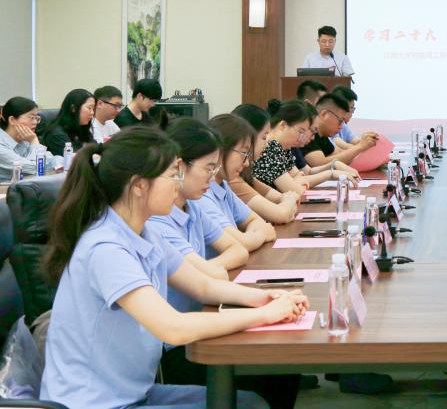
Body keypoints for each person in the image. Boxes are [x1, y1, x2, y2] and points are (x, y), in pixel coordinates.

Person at [40, 126, 307, 409]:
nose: (177, 183)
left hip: (133, 393)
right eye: (171, 175)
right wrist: (264, 315)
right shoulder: (106, 248)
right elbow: (173, 328)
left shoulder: (143, 232)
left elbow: (203, 286)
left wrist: (265, 298)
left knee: (250, 403)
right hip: (96, 403)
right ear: (139, 185)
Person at [146, 119, 249, 308]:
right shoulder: (156, 219)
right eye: (208, 168)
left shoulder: (192, 207)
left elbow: (239, 250)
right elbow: (210, 277)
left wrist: (207, 269)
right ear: (180, 166)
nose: (212, 177)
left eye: (214, 169)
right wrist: (208, 271)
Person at [201, 114, 277, 251]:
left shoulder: (223, 185)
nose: (247, 163)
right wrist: (260, 235)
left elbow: (255, 220)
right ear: (221, 149)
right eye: (244, 153)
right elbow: (240, 244)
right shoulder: (202, 194)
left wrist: (251, 238)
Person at [252, 100, 346, 194]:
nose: (300, 137)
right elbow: (297, 190)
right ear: (283, 125)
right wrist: (330, 173)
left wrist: (297, 181)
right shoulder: (270, 148)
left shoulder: (283, 147)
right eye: (300, 132)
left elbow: (300, 177)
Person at [229, 104, 300, 224]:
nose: (267, 143)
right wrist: (289, 201)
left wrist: (288, 201)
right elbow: (281, 214)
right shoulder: (232, 179)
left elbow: (285, 197)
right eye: (264, 137)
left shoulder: (245, 173)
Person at [303, 93, 375, 168]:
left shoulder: (323, 135)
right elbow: (320, 164)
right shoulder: (307, 132)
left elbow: (337, 157)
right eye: (340, 121)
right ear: (324, 114)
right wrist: (360, 147)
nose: (341, 127)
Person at [0, 96, 59, 181]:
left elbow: (53, 160)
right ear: (12, 120)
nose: (35, 122)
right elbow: (35, 169)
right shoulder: (2, 145)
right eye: (31, 118)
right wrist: (34, 141)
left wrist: (58, 165)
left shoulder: (25, 139)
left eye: (37, 118)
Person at [41, 88, 96, 155]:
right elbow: (74, 159)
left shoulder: (81, 128)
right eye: (89, 108)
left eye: (93, 109)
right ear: (73, 108)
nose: (92, 113)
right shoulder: (56, 134)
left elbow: (97, 149)